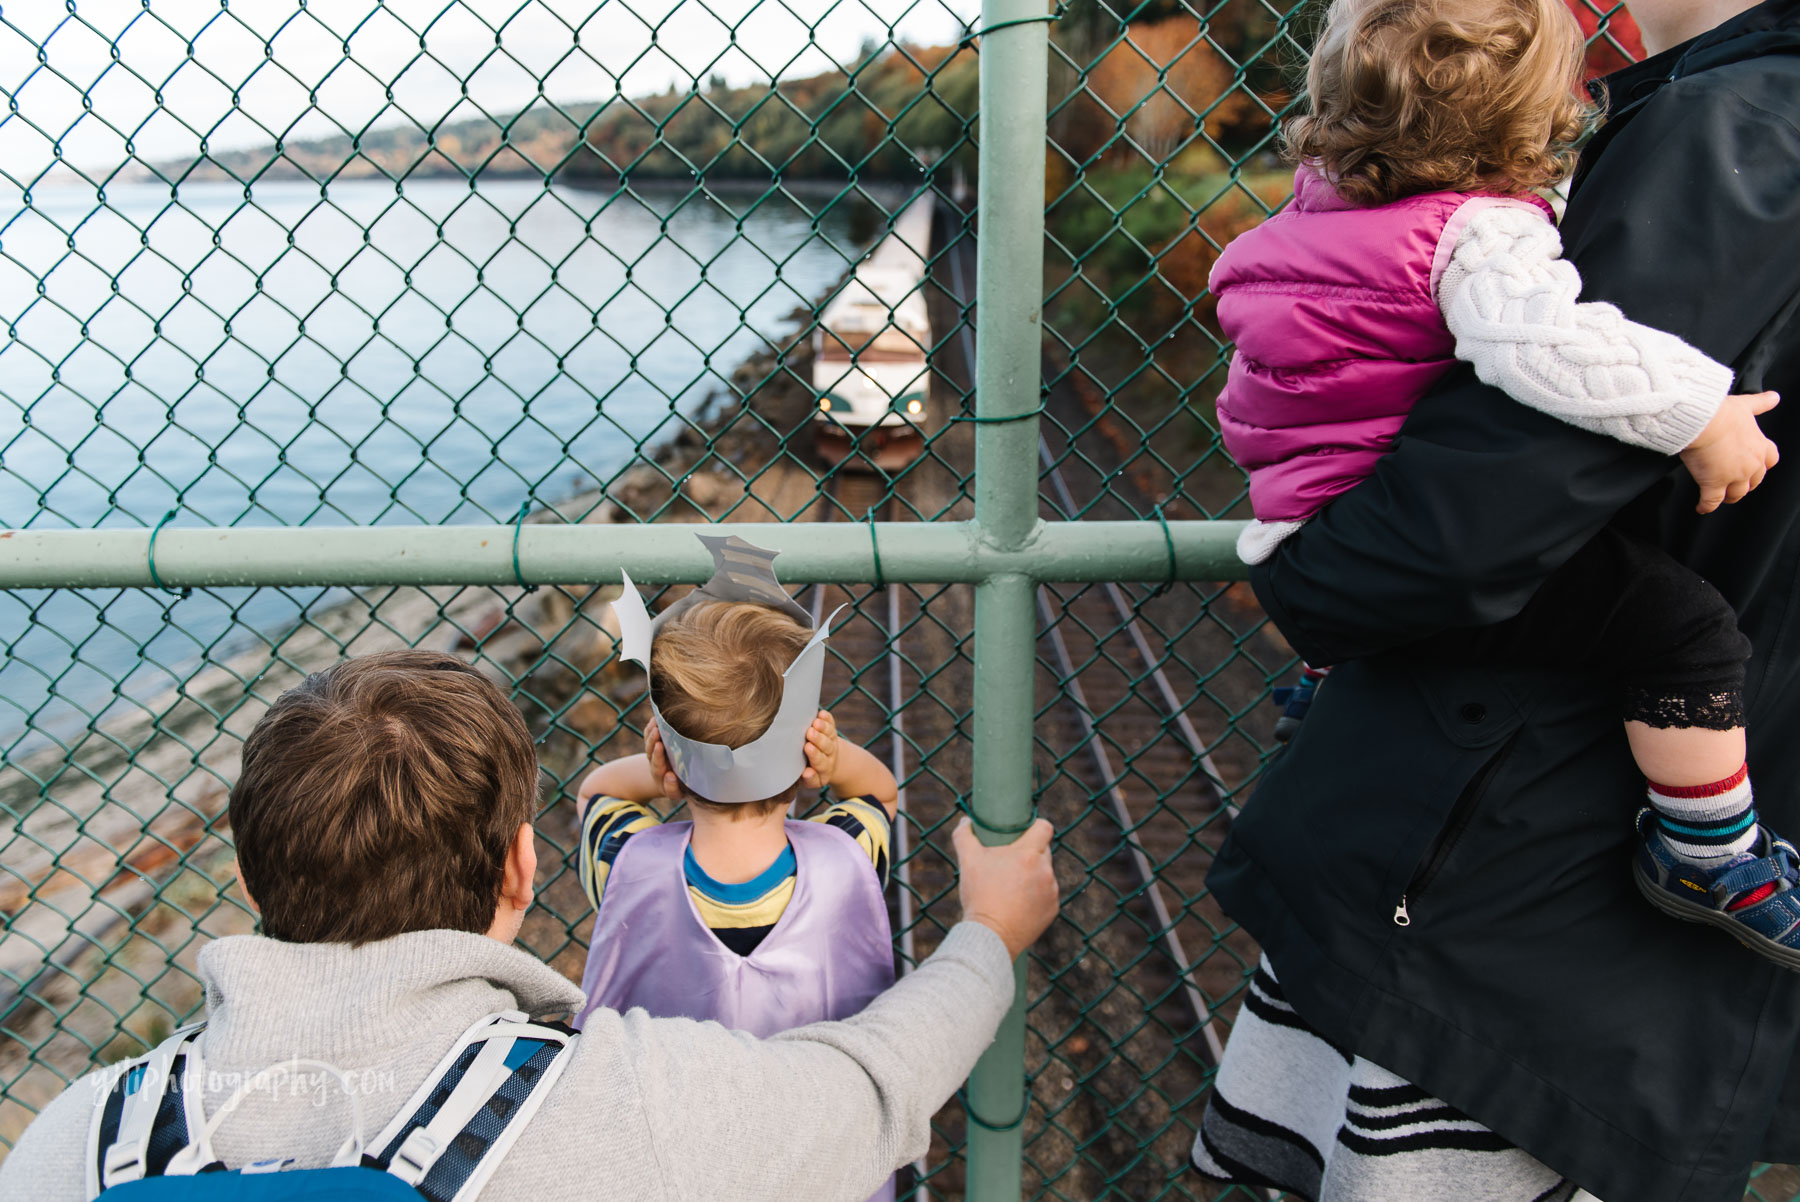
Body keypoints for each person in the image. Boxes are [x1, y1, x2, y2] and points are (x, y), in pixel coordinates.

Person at [1193, 0, 1800, 1199]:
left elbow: (1482, 503)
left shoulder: (1727, 131)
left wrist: (1309, 581)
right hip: (1550, 872)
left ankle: (1708, 846)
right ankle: (1711, 834)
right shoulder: (1706, 122)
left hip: (1505, 884)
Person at [0, 649, 1060, 1202]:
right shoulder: (620, 1102)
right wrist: (985, 932)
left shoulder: (75, 1141)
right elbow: (873, 1077)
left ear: (247, 870)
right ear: (520, 863)